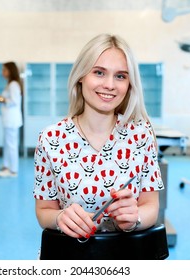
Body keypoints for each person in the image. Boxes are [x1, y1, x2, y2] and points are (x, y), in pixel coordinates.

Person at [33, 34, 164, 241]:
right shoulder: (51, 138)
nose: (110, 85)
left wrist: (134, 218)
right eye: (99, 72)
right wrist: (60, 217)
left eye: (120, 76)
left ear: (129, 84)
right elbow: (43, 210)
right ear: (81, 76)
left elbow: (151, 205)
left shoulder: (141, 135)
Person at [0, 62, 23, 178]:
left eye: (4, 70)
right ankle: (6, 165)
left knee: (11, 145)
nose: (2, 72)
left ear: (10, 71)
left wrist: (1, 99)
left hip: (12, 120)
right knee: (7, 143)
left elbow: (14, 101)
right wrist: (2, 99)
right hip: (8, 120)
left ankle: (13, 170)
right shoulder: (10, 84)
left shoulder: (13, 85)